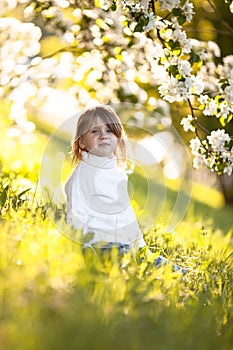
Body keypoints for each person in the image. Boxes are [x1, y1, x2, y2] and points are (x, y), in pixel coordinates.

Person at [65, 105, 187, 274]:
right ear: (82, 142)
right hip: (102, 246)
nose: (103, 135)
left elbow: (126, 216)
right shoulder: (83, 174)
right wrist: (85, 248)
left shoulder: (116, 174)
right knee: (130, 262)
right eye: (94, 131)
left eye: (109, 130)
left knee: (162, 265)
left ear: (118, 138)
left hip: (124, 245)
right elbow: (76, 215)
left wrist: (141, 247)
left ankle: (184, 276)